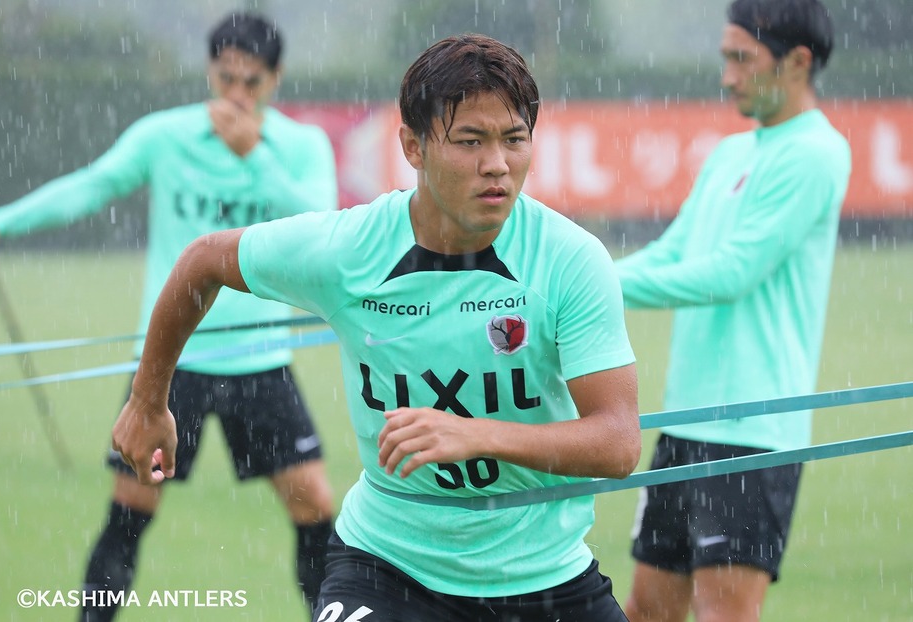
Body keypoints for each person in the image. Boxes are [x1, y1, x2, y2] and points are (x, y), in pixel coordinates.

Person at [111, 33, 641, 622]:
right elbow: (204, 260)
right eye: (470, 141)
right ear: (412, 147)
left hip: (549, 581)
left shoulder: (571, 258)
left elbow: (617, 442)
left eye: (515, 140)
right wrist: (147, 400)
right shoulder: (350, 249)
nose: (498, 164)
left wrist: (479, 434)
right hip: (388, 570)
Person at [0, 12, 338, 620]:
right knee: (129, 513)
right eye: (225, 78)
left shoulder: (301, 146)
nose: (236, 94)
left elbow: (322, 229)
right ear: (209, 71)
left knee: (315, 513)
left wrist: (255, 156)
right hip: (172, 365)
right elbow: (91, 186)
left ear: (275, 81)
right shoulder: (164, 136)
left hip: (263, 364)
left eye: (252, 82)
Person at [615, 1, 852, 621]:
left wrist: (596, 291)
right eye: (726, 58)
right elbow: (673, 252)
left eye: (742, 59)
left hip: (752, 436)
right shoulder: (729, 153)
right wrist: (581, 280)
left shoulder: (816, 152)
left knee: (725, 616)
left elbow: (731, 274)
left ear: (798, 61)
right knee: (646, 611)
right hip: (685, 424)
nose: (727, 75)